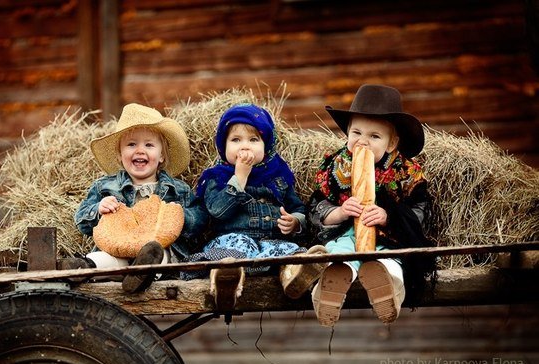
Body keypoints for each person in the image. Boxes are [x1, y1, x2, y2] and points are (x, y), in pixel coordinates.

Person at [308, 84, 434, 327]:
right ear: (347, 134)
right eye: (356, 133)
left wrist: (389, 217)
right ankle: (330, 287)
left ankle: (387, 286)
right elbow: (315, 206)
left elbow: (421, 212)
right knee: (340, 252)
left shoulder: (406, 172)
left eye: (374, 136)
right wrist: (339, 212)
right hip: (346, 232)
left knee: (391, 260)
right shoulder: (336, 165)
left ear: (392, 143)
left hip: (389, 237)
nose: (362, 142)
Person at [183, 103, 326, 310]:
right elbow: (216, 211)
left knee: (291, 252)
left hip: (269, 243)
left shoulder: (278, 177)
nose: (245, 146)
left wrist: (295, 222)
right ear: (223, 147)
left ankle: (293, 277)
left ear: (266, 146)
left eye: (253, 139)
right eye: (236, 140)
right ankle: (228, 281)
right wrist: (239, 177)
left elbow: (299, 208)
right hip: (234, 241)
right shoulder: (217, 178)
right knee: (230, 256)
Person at [73, 103, 208, 292]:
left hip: (159, 253)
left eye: (149, 145)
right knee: (108, 259)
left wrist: (179, 216)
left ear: (161, 156)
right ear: (120, 155)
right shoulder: (105, 186)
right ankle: (81, 267)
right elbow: (81, 221)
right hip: (119, 246)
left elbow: (200, 219)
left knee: (157, 251)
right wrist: (99, 209)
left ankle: (141, 274)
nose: (140, 150)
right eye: (131, 144)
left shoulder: (177, 189)